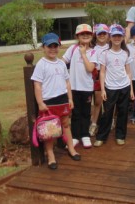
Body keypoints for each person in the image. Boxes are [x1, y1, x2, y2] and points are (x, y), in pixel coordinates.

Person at [31, 33, 81, 170]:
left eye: (55, 46)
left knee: (66, 125)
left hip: (62, 100)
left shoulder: (61, 63)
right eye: (49, 46)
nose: (53, 49)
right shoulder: (41, 64)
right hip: (49, 102)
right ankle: (50, 155)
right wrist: (40, 103)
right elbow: (37, 85)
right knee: (50, 130)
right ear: (43, 47)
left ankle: (71, 148)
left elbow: (67, 82)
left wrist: (70, 98)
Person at [94, 24, 135, 147]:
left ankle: (120, 135)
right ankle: (101, 136)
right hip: (110, 87)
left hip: (124, 86)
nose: (117, 38)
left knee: (123, 112)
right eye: (114, 36)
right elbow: (102, 72)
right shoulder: (105, 54)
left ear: (122, 38)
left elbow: (128, 72)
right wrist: (102, 89)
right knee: (107, 113)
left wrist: (131, 89)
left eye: (119, 36)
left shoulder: (125, 53)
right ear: (110, 38)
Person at [62, 24, 97, 148]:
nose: (85, 36)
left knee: (86, 112)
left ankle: (85, 135)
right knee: (75, 113)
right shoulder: (72, 48)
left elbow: (90, 68)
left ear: (92, 36)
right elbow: (63, 62)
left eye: (88, 34)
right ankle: (75, 136)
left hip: (86, 87)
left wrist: (83, 54)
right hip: (73, 87)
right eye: (82, 34)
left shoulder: (93, 51)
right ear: (77, 36)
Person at [89, 24, 110, 137]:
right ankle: (94, 123)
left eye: (104, 33)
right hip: (96, 76)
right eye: (99, 33)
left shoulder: (111, 47)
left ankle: (109, 120)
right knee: (97, 102)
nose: (102, 35)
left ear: (108, 35)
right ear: (95, 35)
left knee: (110, 102)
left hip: (110, 76)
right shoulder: (92, 48)